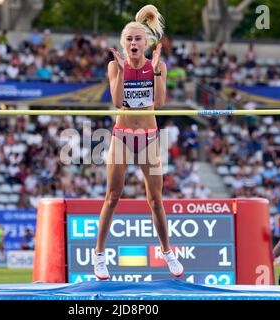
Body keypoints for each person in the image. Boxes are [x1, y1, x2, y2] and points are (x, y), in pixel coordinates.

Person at [93, 4, 183, 280]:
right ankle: (98, 255)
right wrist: (120, 72)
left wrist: (155, 72)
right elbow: (118, 101)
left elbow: (161, 102)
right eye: (129, 39)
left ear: (146, 42)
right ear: (124, 44)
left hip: (149, 138)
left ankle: (167, 252)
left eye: (138, 38)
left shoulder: (158, 66)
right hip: (122, 136)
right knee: (112, 196)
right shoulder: (113, 66)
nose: (133, 42)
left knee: (155, 200)